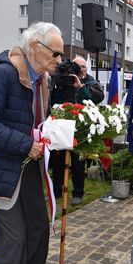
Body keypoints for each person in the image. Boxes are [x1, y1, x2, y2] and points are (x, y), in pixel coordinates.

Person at [0, 21, 64, 264]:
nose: (60, 60)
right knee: (14, 244)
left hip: (27, 169)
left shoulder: (41, 80)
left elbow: (33, 122)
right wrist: (26, 143)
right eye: (56, 53)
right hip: (1, 170)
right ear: (34, 47)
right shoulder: (3, 73)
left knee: (37, 232)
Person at [50, 56, 104, 205]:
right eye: (77, 66)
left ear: (87, 68)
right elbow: (53, 101)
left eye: (83, 67)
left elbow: (97, 98)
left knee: (78, 164)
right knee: (58, 162)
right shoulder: (62, 80)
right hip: (61, 127)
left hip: (81, 129)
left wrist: (81, 86)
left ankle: (78, 193)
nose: (81, 69)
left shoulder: (91, 82)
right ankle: (56, 191)